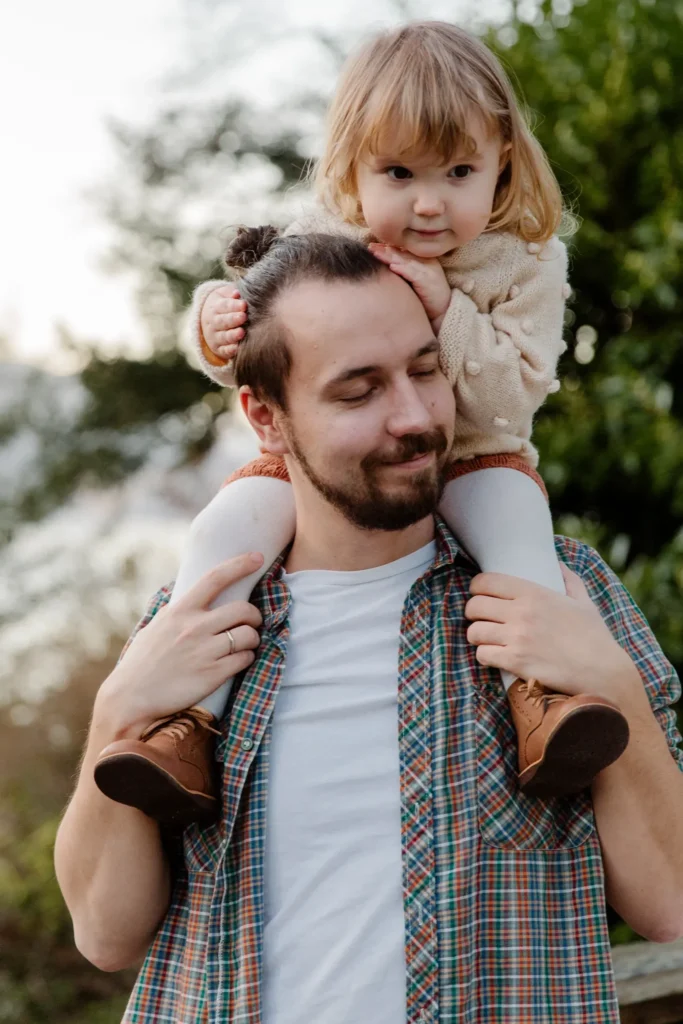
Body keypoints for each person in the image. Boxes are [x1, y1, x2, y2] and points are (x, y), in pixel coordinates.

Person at [55, 231, 683, 1024]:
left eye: (424, 370)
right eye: (359, 392)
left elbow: (668, 906)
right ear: (267, 419)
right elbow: (107, 934)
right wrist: (119, 712)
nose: (415, 417)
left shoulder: (560, 593)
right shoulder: (196, 620)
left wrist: (613, 687)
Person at [92, 21, 629, 826]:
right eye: (398, 171)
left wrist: (444, 305)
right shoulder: (325, 242)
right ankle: (183, 727)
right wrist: (213, 321)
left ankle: (543, 705)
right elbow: (250, 342)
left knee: (521, 542)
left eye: (459, 171)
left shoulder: (524, 259)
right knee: (223, 533)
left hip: (478, 456)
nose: (427, 201)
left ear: (502, 164)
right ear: (351, 170)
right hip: (333, 469)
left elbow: (511, 395)